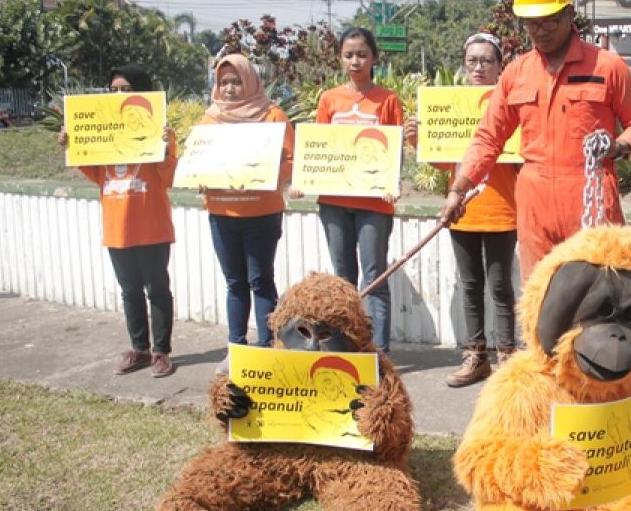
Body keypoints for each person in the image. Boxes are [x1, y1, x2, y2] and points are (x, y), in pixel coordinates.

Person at [438, 0, 631, 280]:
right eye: (531, 24)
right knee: (541, 305)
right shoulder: (516, 73)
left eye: (549, 22)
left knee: (595, 305)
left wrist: (619, 146)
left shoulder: (607, 67)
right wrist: (459, 188)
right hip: (534, 206)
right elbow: (489, 137)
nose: (540, 32)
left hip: (590, 201)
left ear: (569, 13)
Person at [413, 33, 519, 387]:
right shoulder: (452, 106)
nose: (479, 67)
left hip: (503, 208)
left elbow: (520, 158)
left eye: (487, 60)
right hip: (462, 209)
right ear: (463, 64)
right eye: (472, 60)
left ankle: (507, 360)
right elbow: (447, 165)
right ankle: (476, 357)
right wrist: (421, 140)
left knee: (501, 286)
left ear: (499, 66)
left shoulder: (511, 105)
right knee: (471, 285)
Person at [59, 64, 177, 378]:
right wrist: (74, 145)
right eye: (114, 90)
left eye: (126, 89)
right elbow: (96, 173)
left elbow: (169, 177)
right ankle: (139, 349)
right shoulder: (105, 132)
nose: (119, 95)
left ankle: (161, 352)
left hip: (152, 227)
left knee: (158, 290)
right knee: (130, 292)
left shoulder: (160, 133)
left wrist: (165, 148)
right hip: (117, 229)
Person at [313, 26, 413, 354]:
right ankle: (346, 349)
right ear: (340, 58)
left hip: (374, 202)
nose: (355, 60)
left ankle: (379, 354)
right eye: (349, 54)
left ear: (374, 58)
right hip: (334, 202)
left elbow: (394, 148)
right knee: (342, 281)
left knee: (374, 278)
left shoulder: (388, 100)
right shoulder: (329, 99)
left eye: (362, 54)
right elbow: (320, 148)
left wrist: (390, 182)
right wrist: (307, 179)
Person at [200, 54, 294, 374]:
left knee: (261, 280)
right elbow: (197, 162)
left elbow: (291, 160)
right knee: (235, 282)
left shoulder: (272, 117)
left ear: (250, 81)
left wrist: (269, 173)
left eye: (236, 81)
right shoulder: (209, 121)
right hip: (222, 212)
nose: (229, 88)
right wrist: (199, 177)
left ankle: (267, 346)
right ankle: (237, 349)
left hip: (262, 214)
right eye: (223, 82)